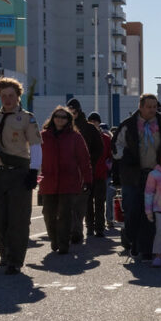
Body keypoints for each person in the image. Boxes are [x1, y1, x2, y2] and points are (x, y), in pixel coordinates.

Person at [0, 77, 42, 275]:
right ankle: (4, 251)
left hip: (19, 174)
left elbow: (36, 146)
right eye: (3, 95)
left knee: (18, 220)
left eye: (11, 95)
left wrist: (33, 171)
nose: (7, 99)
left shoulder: (27, 118)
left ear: (17, 96)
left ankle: (14, 260)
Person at [112, 94, 161, 260]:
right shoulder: (128, 125)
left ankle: (148, 249)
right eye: (148, 106)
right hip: (133, 175)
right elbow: (116, 146)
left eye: (154, 106)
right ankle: (133, 242)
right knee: (133, 211)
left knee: (154, 213)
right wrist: (125, 157)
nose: (152, 110)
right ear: (140, 107)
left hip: (157, 175)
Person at [39, 107, 92, 254]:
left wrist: (87, 180)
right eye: (57, 116)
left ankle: (63, 244)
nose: (60, 119)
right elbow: (34, 158)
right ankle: (54, 239)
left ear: (69, 120)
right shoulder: (43, 136)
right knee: (48, 213)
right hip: (48, 181)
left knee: (64, 214)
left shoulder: (75, 137)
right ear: (52, 118)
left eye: (64, 117)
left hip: (69, 182)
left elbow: (84, 159)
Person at [65, 98, 103, 244]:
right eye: (69, 111)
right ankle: (75, 229)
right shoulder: (63, 126)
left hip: (86, 171)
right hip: (67, 171)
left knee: (87, 201)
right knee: (69, 203)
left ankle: (87, 228)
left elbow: (99, 148)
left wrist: (88, 162)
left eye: (74, 111)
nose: (72, 113)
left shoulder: (89, 128)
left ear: (79, 111)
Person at [87, 112, 113, 237]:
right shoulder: (84, 137)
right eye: (90, 121)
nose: (93, 123)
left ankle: (100, 227)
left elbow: (110, 156)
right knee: (88, 203)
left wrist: (108, 167)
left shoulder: (106, 138)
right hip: (87, 175)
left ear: (99, 123)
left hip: (101, 175)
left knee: (100, 202)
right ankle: (89, 226)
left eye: (95, 121)